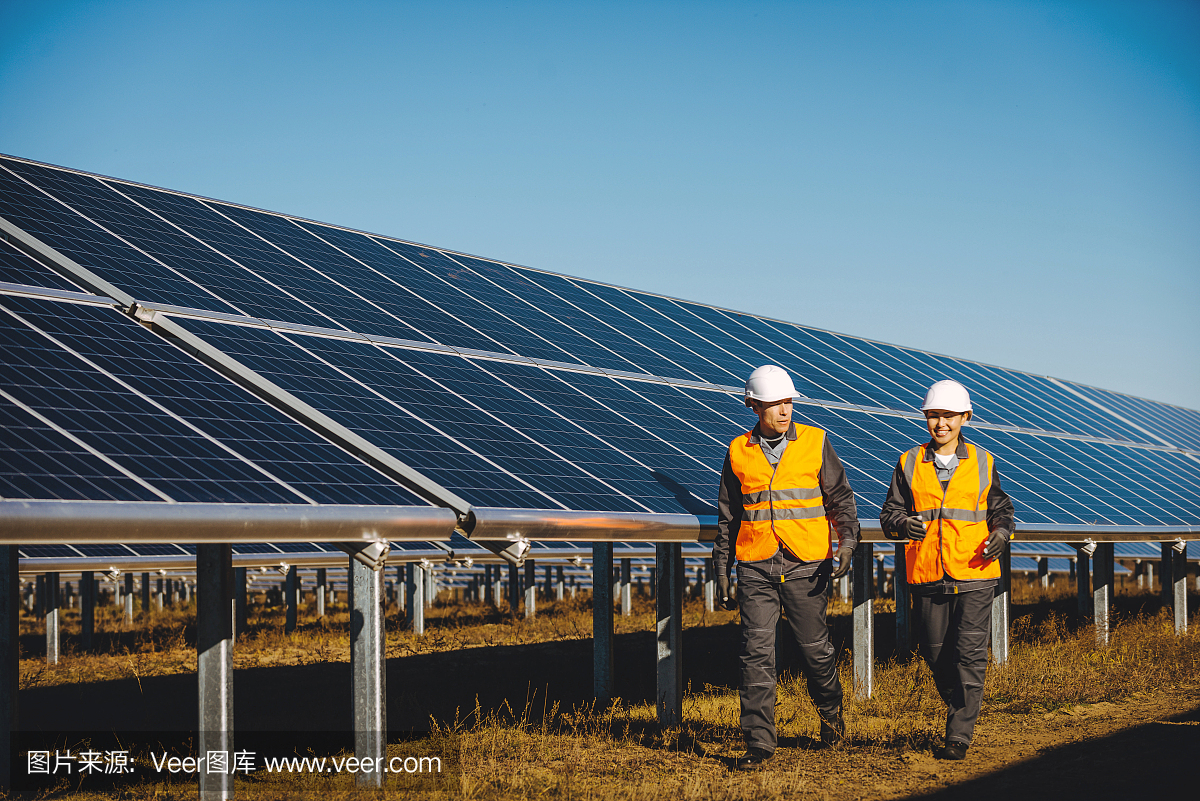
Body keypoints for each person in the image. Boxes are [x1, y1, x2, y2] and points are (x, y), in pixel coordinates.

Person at [713, 365, 862, 770]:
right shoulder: (737, 451)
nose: (784, 410)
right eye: (775, 403)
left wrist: (847, 542)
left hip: (806, 566)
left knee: (815, 652)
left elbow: (841, 500)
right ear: (754, 406)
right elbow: (730, 517)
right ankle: (759, 743)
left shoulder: (815, 442)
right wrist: (721, 570)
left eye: (788, 402)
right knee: (755, 654)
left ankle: (831, 718)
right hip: (756, 565)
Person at [880, 379, 1014, 761]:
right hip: (926, 575)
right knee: (936, 654)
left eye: (949, 416)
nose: (941, 424)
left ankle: (959, 735)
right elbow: (889, 513)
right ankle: (961, 703)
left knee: (970, 655)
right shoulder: (907, 462)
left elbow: (1001, 511)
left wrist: (1002, 534)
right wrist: (903, 525)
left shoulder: (984, 462)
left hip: (975, 573)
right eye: (934, 416)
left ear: (965, 418)